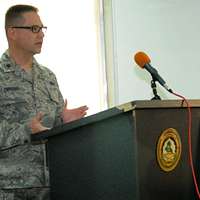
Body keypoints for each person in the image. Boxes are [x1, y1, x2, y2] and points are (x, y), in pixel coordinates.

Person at [0, 4, 88, 200]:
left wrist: (62, 120)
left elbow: (50, 130)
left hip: (52, 186)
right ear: (12, 32)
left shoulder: (48, 77)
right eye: (34, 29)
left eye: (42, 29)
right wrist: (25, 130)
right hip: (10, 190)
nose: (41, 34)